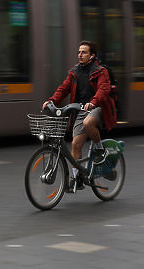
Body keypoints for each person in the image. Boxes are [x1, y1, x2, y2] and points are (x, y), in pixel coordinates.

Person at [42, 40, 117, 191]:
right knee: (75, 145)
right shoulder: (75, 72)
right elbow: (63, 89)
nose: (80, 55)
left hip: (98, 106)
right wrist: (51, 101)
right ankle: (77, 179)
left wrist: (93, 102)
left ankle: (100, 150)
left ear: (92, 55)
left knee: (88, 123)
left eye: (84, 52)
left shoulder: (101, 71)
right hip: (81, 109)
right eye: (79, 52)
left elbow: (103, 90)